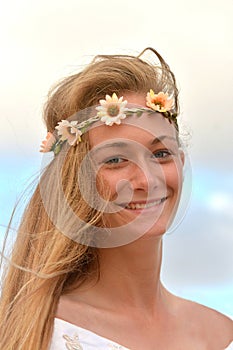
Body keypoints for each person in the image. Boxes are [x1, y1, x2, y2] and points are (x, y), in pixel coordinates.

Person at [0, 47, 232, 350]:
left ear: (182, 163)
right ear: (74, 182)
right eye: (115, 160)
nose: (148, 180)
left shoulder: (223, 334)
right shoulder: (39, 334)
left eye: (161, 154)